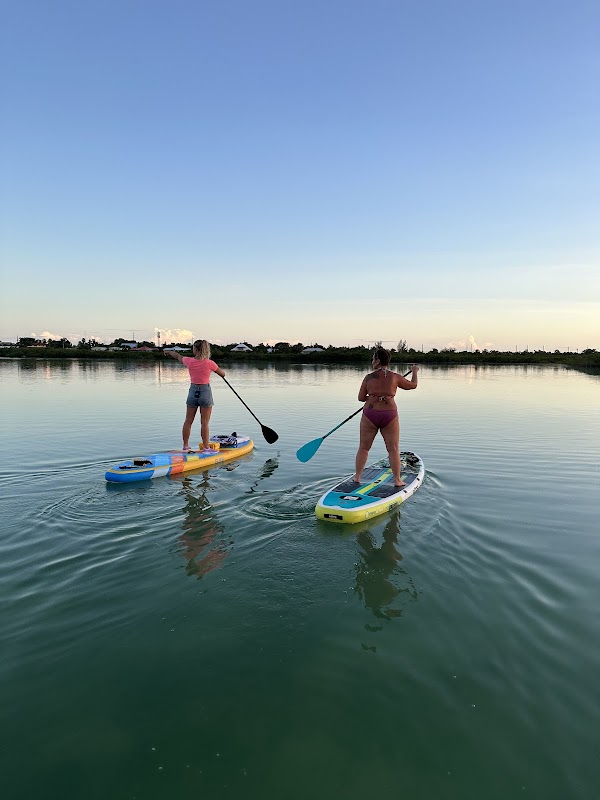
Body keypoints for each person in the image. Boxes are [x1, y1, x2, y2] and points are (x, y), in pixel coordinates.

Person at [353, 348, 418, 487]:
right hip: (389, 414)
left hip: (370, 414)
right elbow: (413, 385)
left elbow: (360, 398)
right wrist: (414, 372)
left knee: (364, 448)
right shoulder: (395, 377)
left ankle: (357, 477)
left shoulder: (369, 377)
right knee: (393, 449)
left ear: (377, 360)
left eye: (373, 359)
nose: (372, 362)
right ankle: (397, 480)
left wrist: (372, 397)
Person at [165, 339, 225, 451]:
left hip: (193, 392)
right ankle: (206, 448)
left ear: (196, 350)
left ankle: (185, 446)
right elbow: (223, 374)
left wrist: (169, 351)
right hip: (205, 392)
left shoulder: (189, 361)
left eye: (193, 348)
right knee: (205, 422)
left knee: (188, 420)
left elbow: (177, 356)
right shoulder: (210, 363)